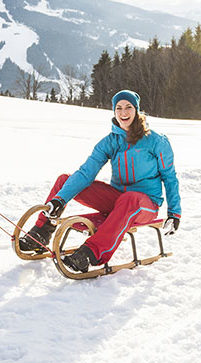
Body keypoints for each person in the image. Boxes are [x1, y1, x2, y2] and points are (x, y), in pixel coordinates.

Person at [20, 90, 181, 272]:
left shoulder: (156, 141)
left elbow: (170, 177)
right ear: (114, 112)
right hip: (118, 199)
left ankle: (91, 253)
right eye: (118, 108)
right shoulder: (110, 142)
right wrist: (60, 199)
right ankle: (40, 233)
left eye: (128, 107)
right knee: (65, 180)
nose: (123, 112)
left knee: (131, 199)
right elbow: (86, 173)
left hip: (146, 204)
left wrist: (174, 213)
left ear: (136, 110)